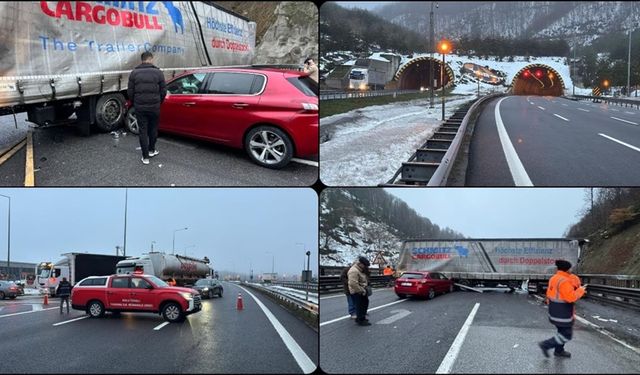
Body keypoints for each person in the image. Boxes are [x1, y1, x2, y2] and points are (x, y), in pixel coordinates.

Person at [538, 260, 586, 359]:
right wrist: (581, 290)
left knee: (561, 332)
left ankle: (559, 351)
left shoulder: (554, 278)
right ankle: (546, 345)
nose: (572, 270)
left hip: (554, 310)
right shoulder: (564, 281)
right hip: (563, 312)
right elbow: (571, 297)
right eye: (571, 268)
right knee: (567, 334)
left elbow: (549, 294)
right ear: (567, 269)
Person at [127, 51, 167, 165]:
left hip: (140, 106)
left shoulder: (134, 73)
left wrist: (135, 103)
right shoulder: (158, 73)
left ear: (142, 60)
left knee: (143, 130)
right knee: (153, 129)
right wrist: (159, 102)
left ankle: (145, 158)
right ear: (151, 59)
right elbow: (163, 91)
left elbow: (130, 92)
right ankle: (151, 150)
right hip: (154, 106)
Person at [348, 256, 371, 326]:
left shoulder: (359, 269)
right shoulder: (354, 271)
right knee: (360, 305)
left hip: (361, 290)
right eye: (365, 265)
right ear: (360, 264)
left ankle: (361, 318)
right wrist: (361, 290)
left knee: (364, 303)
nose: (365, 267)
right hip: (357, 291)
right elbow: (353, 283)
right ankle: (361, 320)